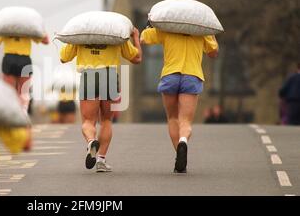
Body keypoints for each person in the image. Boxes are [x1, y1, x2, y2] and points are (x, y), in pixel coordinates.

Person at [60, 28, 142, 172]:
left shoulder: (81, 36)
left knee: (87, 121)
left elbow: (63, 58)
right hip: (109, 76)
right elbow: (137, 59)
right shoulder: (116, 34)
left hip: (89, 76)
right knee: (106, 120)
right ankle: (101, 160)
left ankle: (91, 141)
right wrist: (136, 37)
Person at [141, 27, 219, 173]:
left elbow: (144, 38)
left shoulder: (167, 27)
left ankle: (179, 153)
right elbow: (213, 52)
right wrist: (211, 33)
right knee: (185, 121)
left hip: (170, 75)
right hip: (192, 75)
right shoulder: (201, 29)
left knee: (172, 117)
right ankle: (183, 140)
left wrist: (150, 24)